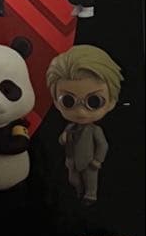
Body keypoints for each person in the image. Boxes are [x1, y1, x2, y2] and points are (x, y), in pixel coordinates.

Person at [47, 45, 122, 205]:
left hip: (89, 163)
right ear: (56, 102)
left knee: (91, 181)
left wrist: (97, 160)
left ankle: (90, 196)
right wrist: (64, 138)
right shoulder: (70, 128)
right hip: (72, 161)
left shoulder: (95, 130)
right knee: (73, 180)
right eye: (68, 101)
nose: (81, 112)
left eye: (94, 101)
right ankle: (77, 193)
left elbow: (102, 145)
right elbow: (62, 140)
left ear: (111, 102)